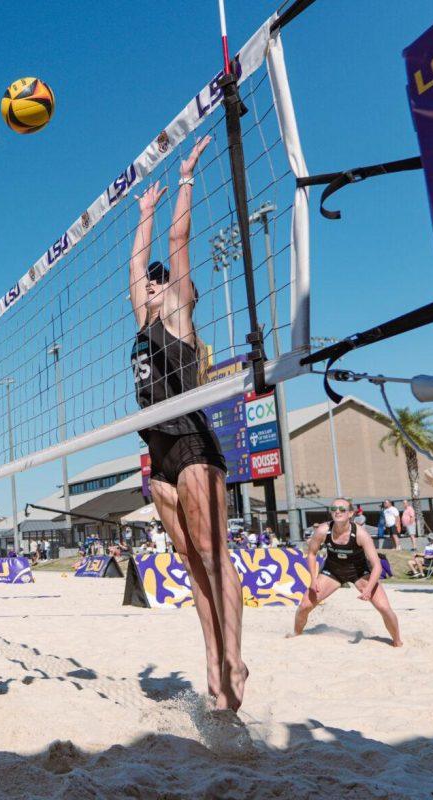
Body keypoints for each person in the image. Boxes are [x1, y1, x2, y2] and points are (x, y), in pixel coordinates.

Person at [128, 136, 246, 712]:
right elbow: (135, 263)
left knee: (213, 552)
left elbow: (179, 243)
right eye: (150, 282)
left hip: (194, 443)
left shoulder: (176, 309)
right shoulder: (142, 317)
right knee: (193, 565)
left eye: (158, 281)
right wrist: (142, 215)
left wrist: (187, 177)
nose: (151, 284)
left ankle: (234, 660)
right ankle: (211, 658)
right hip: (158, 455)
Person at [292, 498, 401, 646]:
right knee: (304, 606)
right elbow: (311, 554)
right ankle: (296, 635)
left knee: (384, 608)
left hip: (358, 572)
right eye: (334, 509)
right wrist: (313, 579)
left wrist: (368, 589)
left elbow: (377, 566)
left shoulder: (361, 534)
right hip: (332, 571)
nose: (337, 511)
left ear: (350, 513)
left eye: (342, 509)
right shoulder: (323, 530)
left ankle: (397, 641)